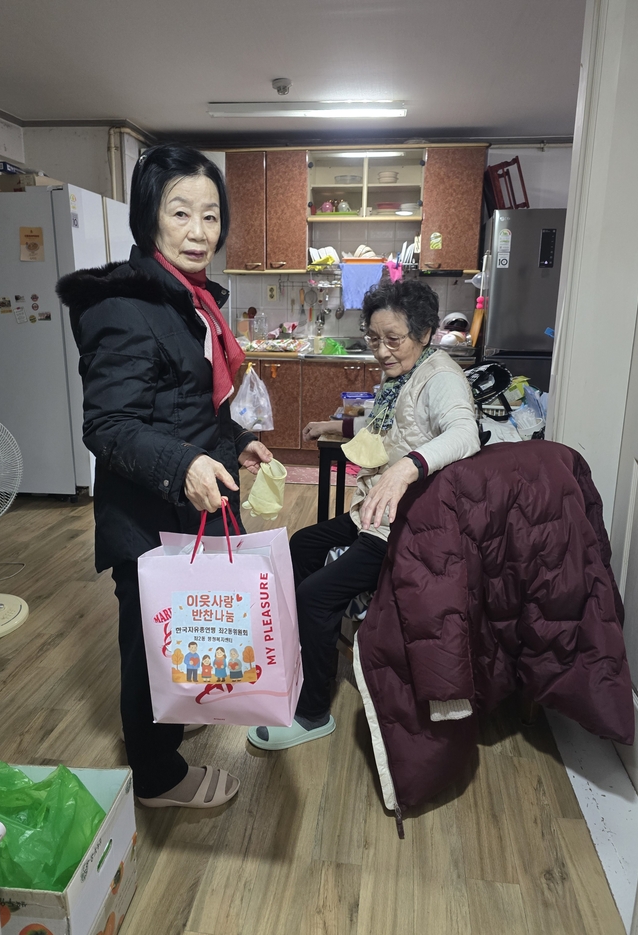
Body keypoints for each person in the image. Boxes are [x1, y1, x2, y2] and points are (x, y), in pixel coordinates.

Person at [56, 143, 272, 807]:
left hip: (184, 507)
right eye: (181, 213)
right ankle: (157, 778)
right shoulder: (125, 305)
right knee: (150, 646)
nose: (199, 231)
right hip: (147, 516)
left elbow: (183, 404)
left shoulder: (189, 299)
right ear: (149, 216)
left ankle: (173, 721)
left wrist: (236, 443)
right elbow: (109, 426)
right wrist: (184, 465)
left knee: (179, 633)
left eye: (211, 215)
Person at [247, 279, 480, 751]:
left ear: (425, 333)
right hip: (373, 511)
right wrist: (334, 424)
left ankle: (313, 712)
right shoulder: (403, 374)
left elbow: (465, 434)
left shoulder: (441, 377)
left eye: (393, 339)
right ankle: (304, 650)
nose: (382, 351)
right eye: (374, 339)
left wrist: (406, 470)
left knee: (315, 595)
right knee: (301, 546)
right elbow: (387, 423)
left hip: (404, 524)